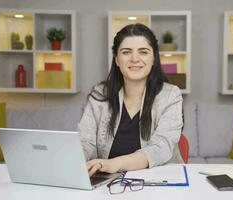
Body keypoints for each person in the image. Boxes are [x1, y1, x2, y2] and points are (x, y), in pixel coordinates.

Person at [78, 23, 183, 176]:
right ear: (116, 59)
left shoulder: (171, 95)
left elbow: (160, 148)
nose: (135, 59)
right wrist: (78, 159)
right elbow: (85, 142)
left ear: (154, 58)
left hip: (159, 183)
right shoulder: (100, 94)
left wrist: (114, 164)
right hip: (107, 185)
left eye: (143, 52)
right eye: (126, 52)